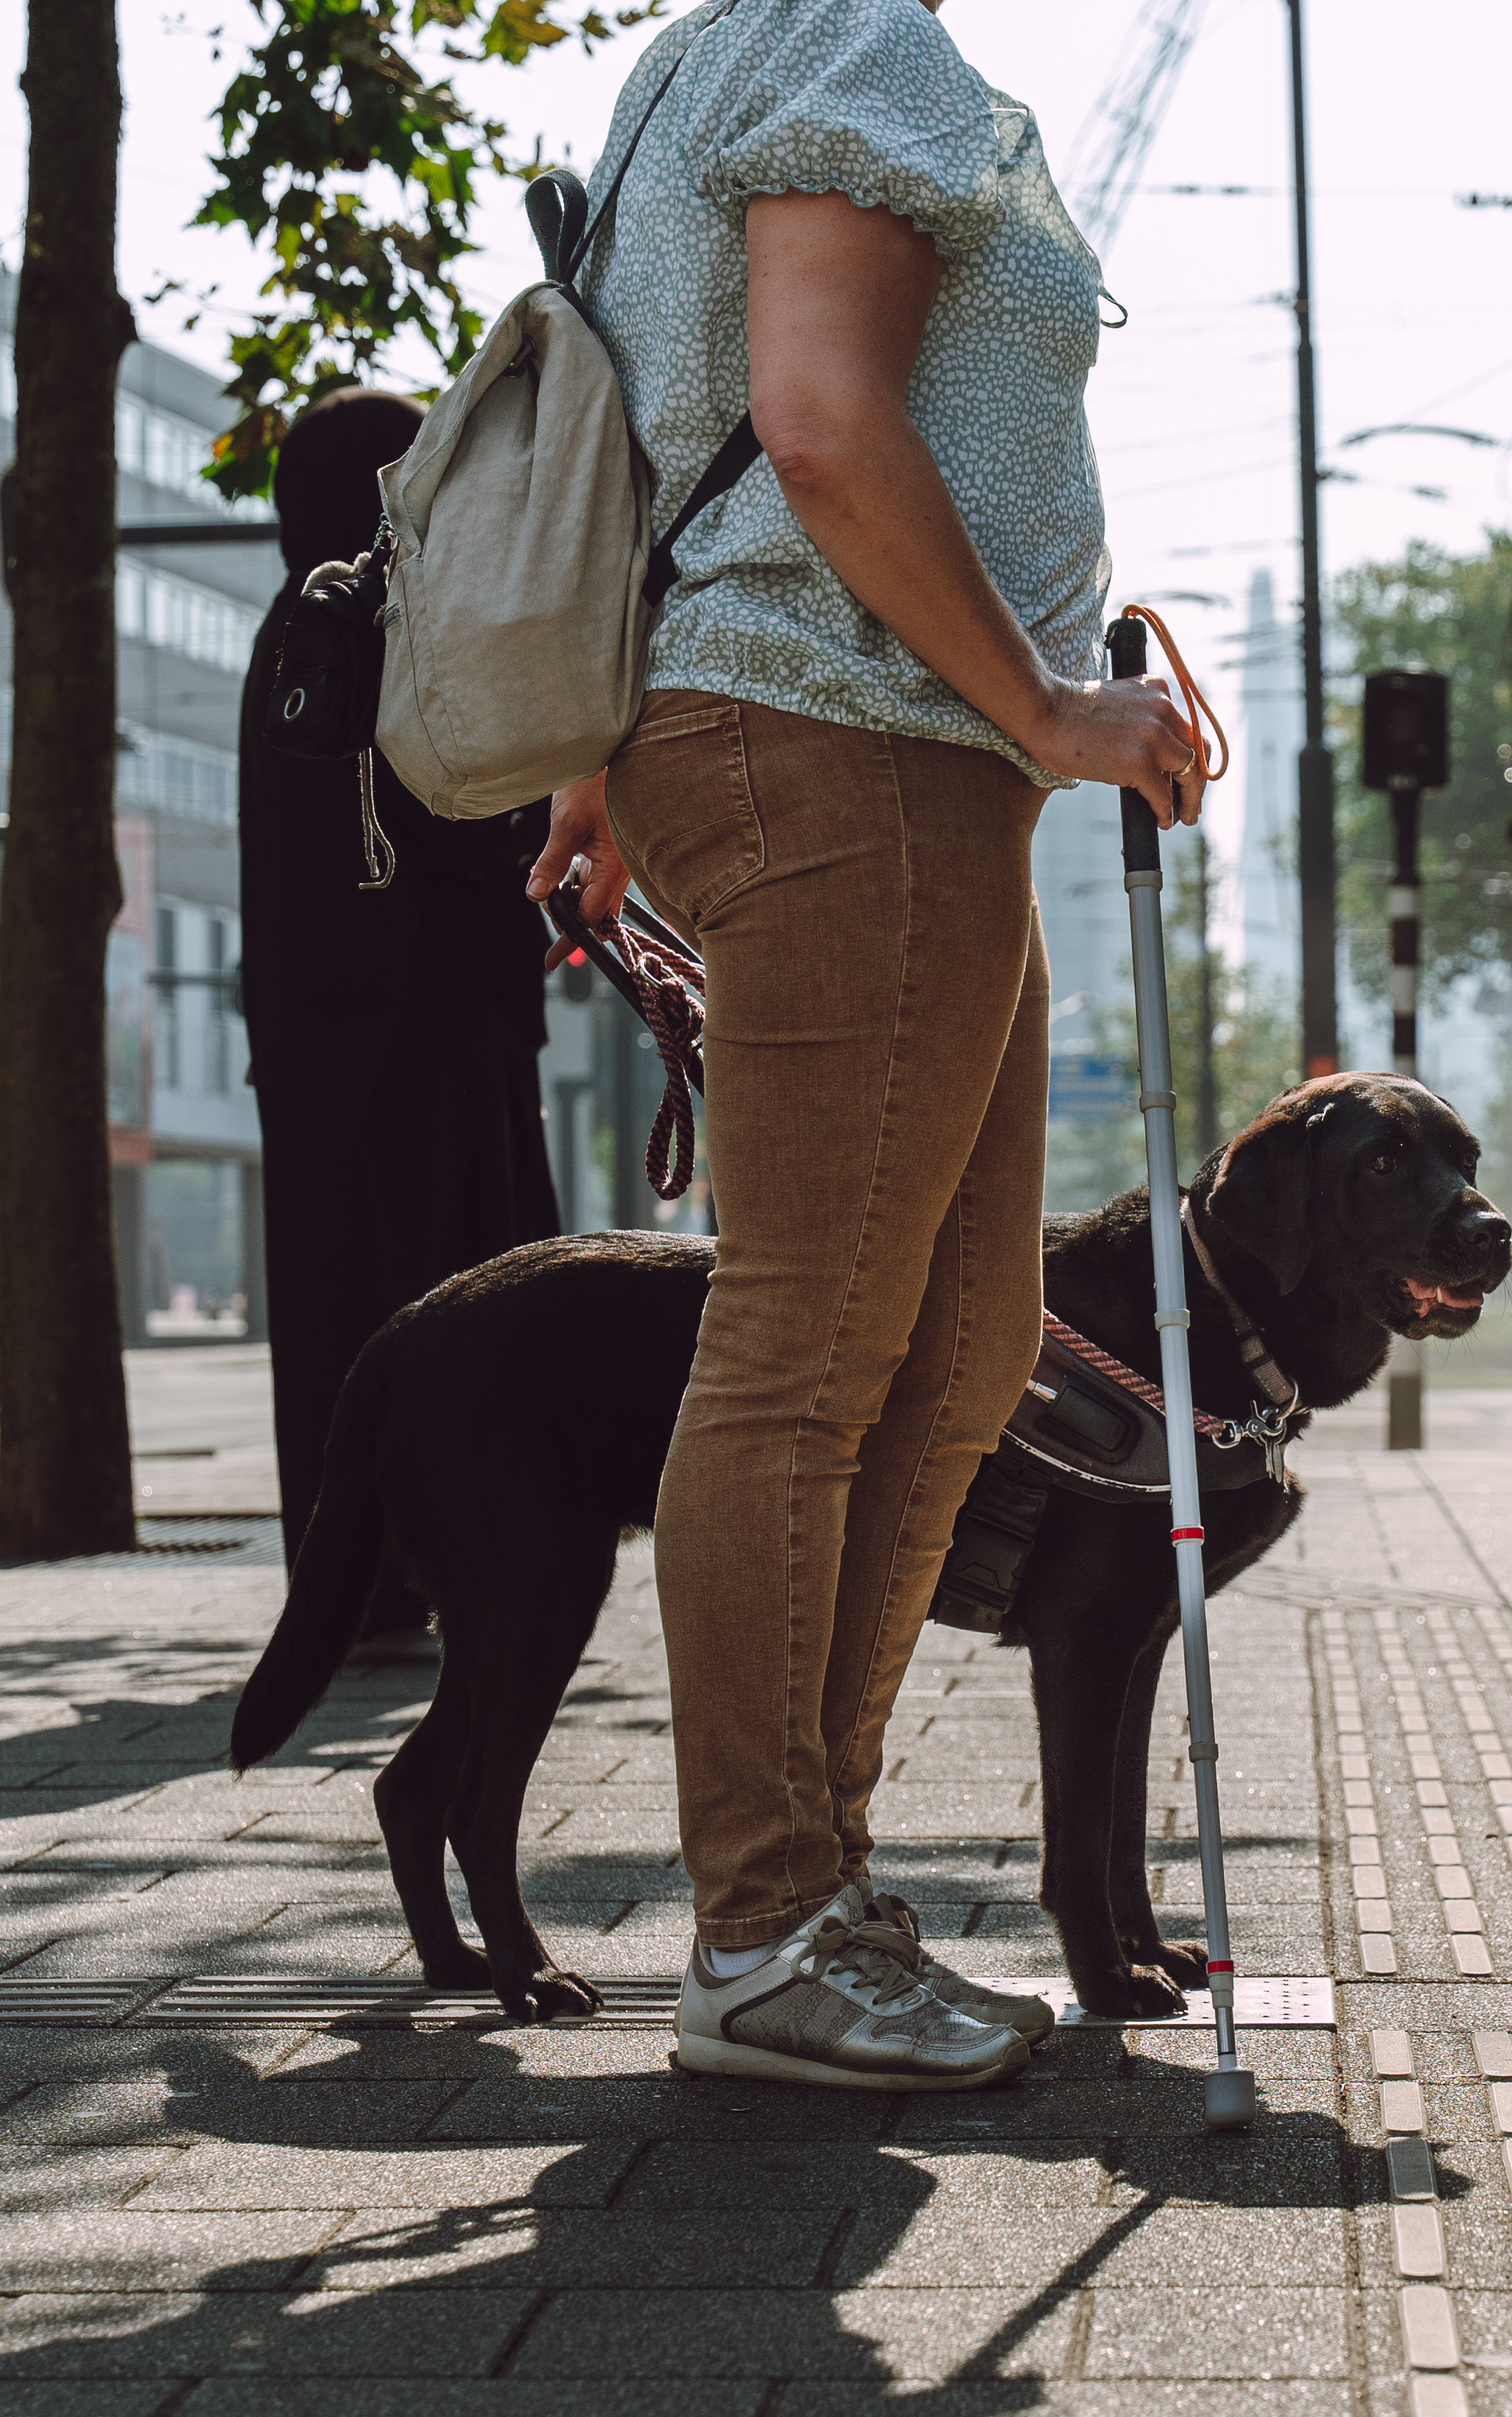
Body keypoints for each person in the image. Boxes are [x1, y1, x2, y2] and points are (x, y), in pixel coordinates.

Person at [538, 0, 1208, 2088]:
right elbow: (816, 424)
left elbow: (684, 416)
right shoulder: (855, 42)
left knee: (960, 1340)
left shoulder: (699, 58)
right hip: (854, 743)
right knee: (815, 1341)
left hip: (841, 738)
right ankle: (765, 1920)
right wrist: (1052, 708)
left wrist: (605, 752)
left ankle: (807, 1885)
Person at [238, 385, 561, 1654]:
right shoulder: (378, 615)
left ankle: (354, 1582)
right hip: (426, 1035)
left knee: (335, 1310)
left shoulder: (294, 624)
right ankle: (462, 1563)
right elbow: (459, 809)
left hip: (326, 1041)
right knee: (458, 1304)